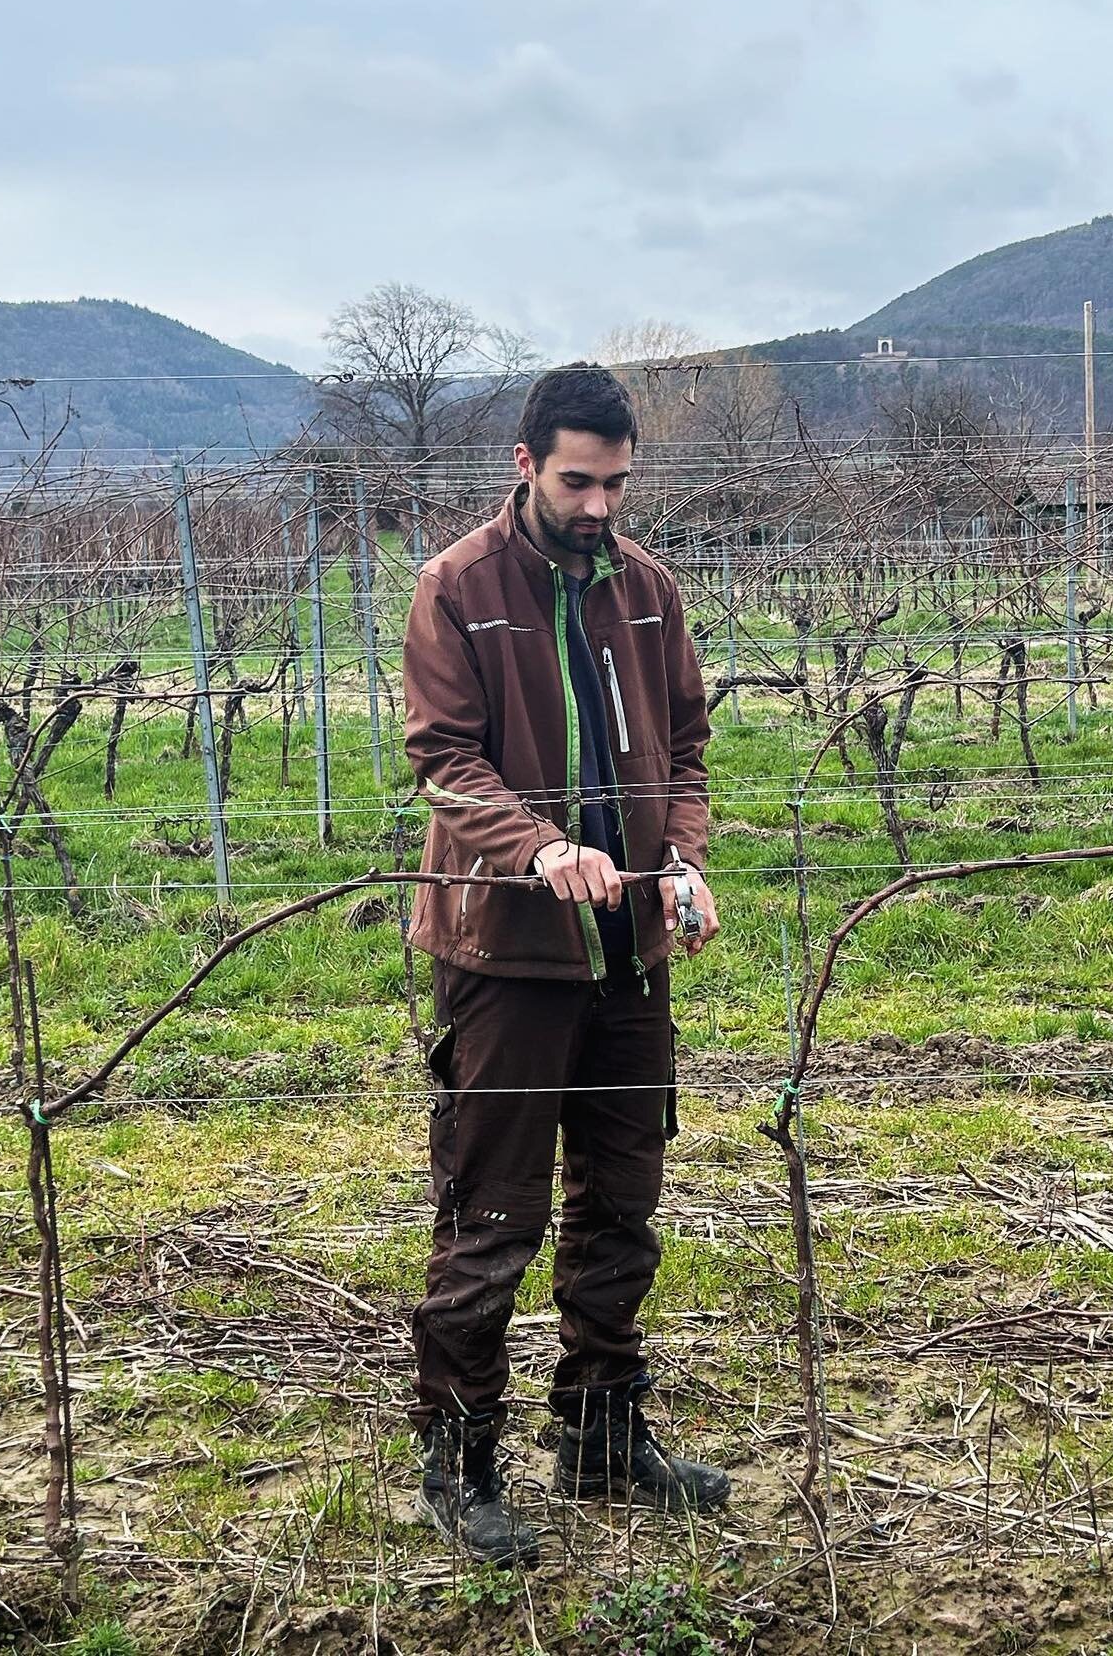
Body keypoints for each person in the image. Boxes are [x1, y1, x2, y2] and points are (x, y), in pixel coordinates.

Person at [400, 361, 729, 1566]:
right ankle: (461, 1457)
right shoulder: (459, 588)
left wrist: (682, 859)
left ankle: (598, 1430)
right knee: (491, 1214)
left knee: (624, 1203)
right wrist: (539, 849)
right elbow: (442, 758)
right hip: (506, 952)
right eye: (579, 482)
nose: (600, 507)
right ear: (526, 467)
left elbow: (685, 747)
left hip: (630, 953)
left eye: (619, 485)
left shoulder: (648, 590)